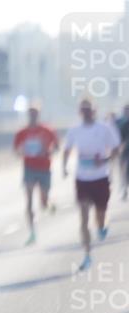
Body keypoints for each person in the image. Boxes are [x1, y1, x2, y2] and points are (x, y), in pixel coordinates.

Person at [62, 98, 121, 271]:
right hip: (82, 179)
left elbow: (116, 148)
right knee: (83, 218)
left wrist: (105, 159)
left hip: (101, 177)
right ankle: (87, 255)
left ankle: (102, 226)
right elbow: (67, 150)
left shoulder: (105, 129)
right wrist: (64, 168)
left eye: (89, 109)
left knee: (100, 214)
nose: (86, 112)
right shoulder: (75, 130)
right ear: (80, 112)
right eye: (83, 109)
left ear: (94, 111)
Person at [12, 103, 59, 245]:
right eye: (30, 113)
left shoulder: (47, 130)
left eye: (35, 113)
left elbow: (56, 147)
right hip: (29, 168)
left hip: (44, 167)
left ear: (38, 115)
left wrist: (48, 151)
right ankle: (32, 232)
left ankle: (49, 204)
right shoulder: (22, 132)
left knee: (43, 202)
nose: (33, 116)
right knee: (29, 202)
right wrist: (22, 152)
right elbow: (16, 150)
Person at [116, 104, 129, 200]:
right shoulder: (122, 123)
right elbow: (120, 139)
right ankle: (124, 190)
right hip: (125, 152)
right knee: (123, 172)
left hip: (125, 151)